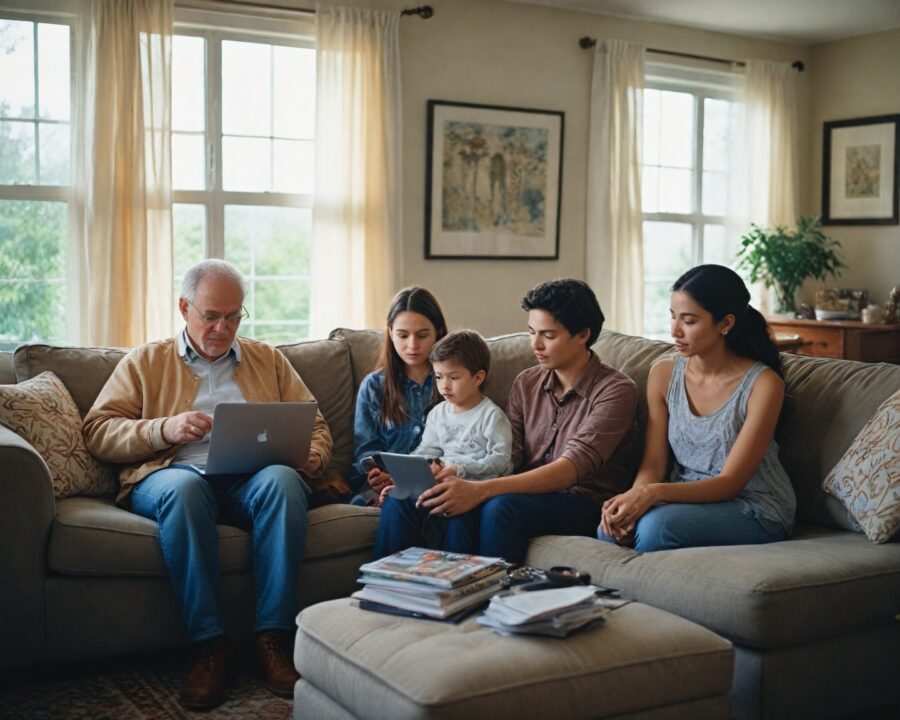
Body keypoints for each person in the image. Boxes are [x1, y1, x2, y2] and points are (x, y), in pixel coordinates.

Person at [83, 259, 332, 710]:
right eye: (211, 315)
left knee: (282, 480)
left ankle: (272, 637)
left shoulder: (268, 359)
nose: (223, 327)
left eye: (234, 316)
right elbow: (98, 430)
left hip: (246, 480)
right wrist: (164, 430)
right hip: (172, 477)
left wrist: (310, 455)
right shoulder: (146, 361)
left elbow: (315, 424)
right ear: (184, 308)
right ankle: (209, 644)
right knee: (185, 490)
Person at [409, 278, 640, 565]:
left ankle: (497, 597)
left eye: (548, 335)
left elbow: (572, 469)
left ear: (582, 334)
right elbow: (510, 455)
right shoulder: (527, 382)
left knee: (500, 506)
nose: (536, 345)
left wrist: (482, 489)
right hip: (523, 491)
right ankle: (446, 592)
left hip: (583, 501)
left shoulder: (616, 390)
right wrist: (453, 475)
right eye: (531, 332)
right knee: (450, 501)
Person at [598, 264, 796, 552]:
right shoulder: (663, 374)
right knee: (609, 530)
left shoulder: (763, 385)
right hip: (682, 500)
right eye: (673, 317)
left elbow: (730, 482)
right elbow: (654, 464)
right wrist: (633, 499)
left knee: (656, 528)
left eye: (689, 321)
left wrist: (652, 494)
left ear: (725, 323)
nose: (675, 330)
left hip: (753, 505)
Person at [374, 330, 513, 555]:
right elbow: (427, 450)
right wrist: (405, 477)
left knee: (455, 516)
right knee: (395, 499)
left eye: (453, 377)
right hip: (438, 485)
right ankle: (382, 578)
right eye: (439, 377)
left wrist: (460, 469)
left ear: (478, 377)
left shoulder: (492, 416)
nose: (444, 386)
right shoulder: (438, 413)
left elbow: (501, 462)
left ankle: (453, 582)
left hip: (473, 492)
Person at [350, 287, 446, 506]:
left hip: (440, 482)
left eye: (422, 335)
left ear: (438, 332)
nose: (412, 345)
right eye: (403, 335)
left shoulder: (454, 382)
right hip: (388, 488)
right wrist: (378, 476)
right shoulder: (374, 387)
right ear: (390, 332)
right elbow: (366, 453)